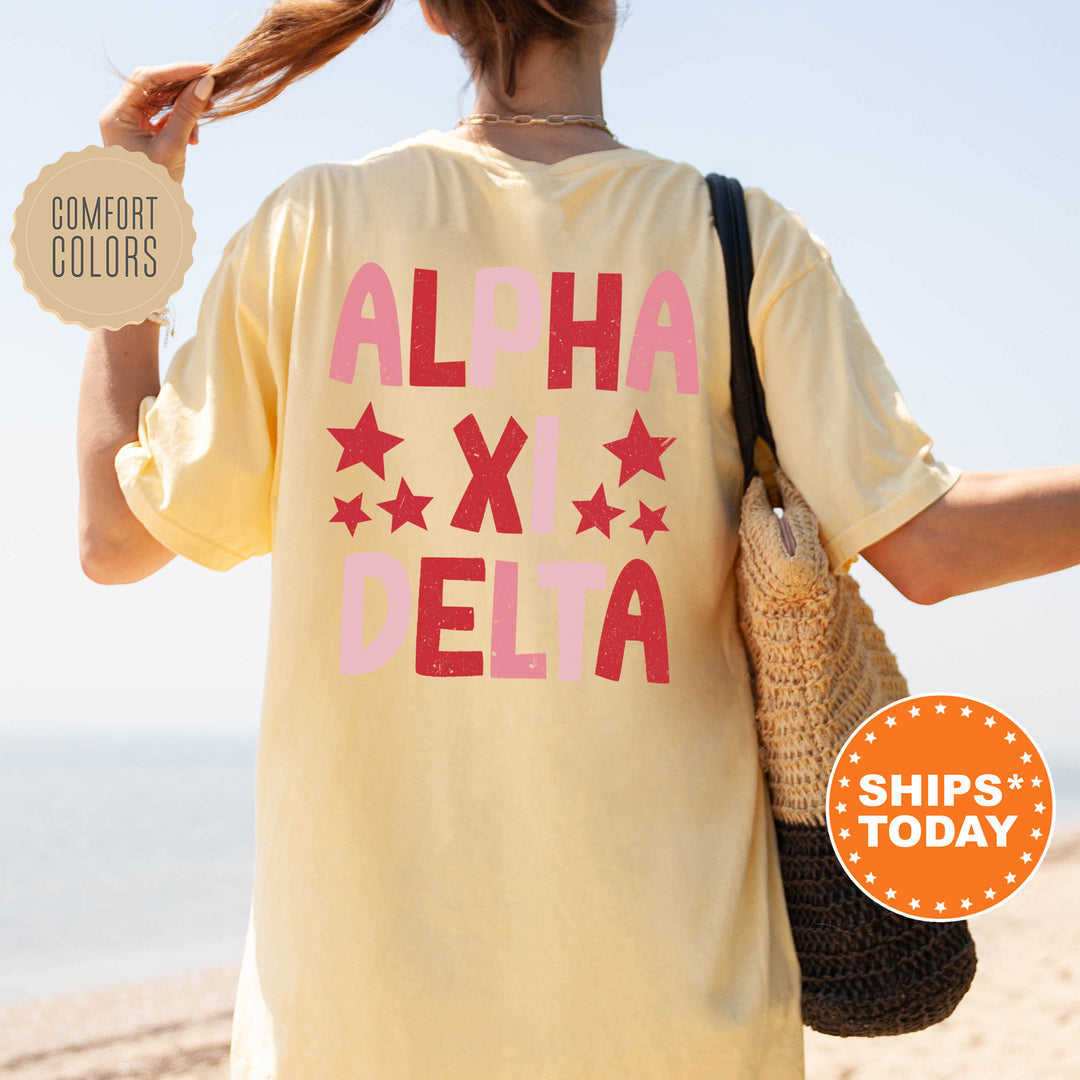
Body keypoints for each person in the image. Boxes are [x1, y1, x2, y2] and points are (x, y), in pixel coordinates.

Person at [77, 2, 1080, 1078]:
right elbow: (930, 549)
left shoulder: (315, 224)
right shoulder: (736, 240)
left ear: (429, 13)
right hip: (673, 1010)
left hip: (355, 1020)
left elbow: (115, 539)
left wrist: (128, 214)